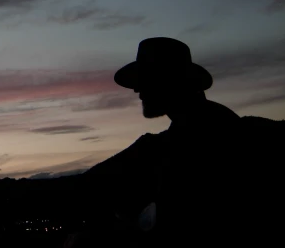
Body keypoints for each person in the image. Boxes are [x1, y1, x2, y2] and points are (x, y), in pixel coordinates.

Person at [69, 37, 283, 247]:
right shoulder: (192, 129)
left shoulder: (205, 136)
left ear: (169, 79)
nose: (137, 90)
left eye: (146, 79)